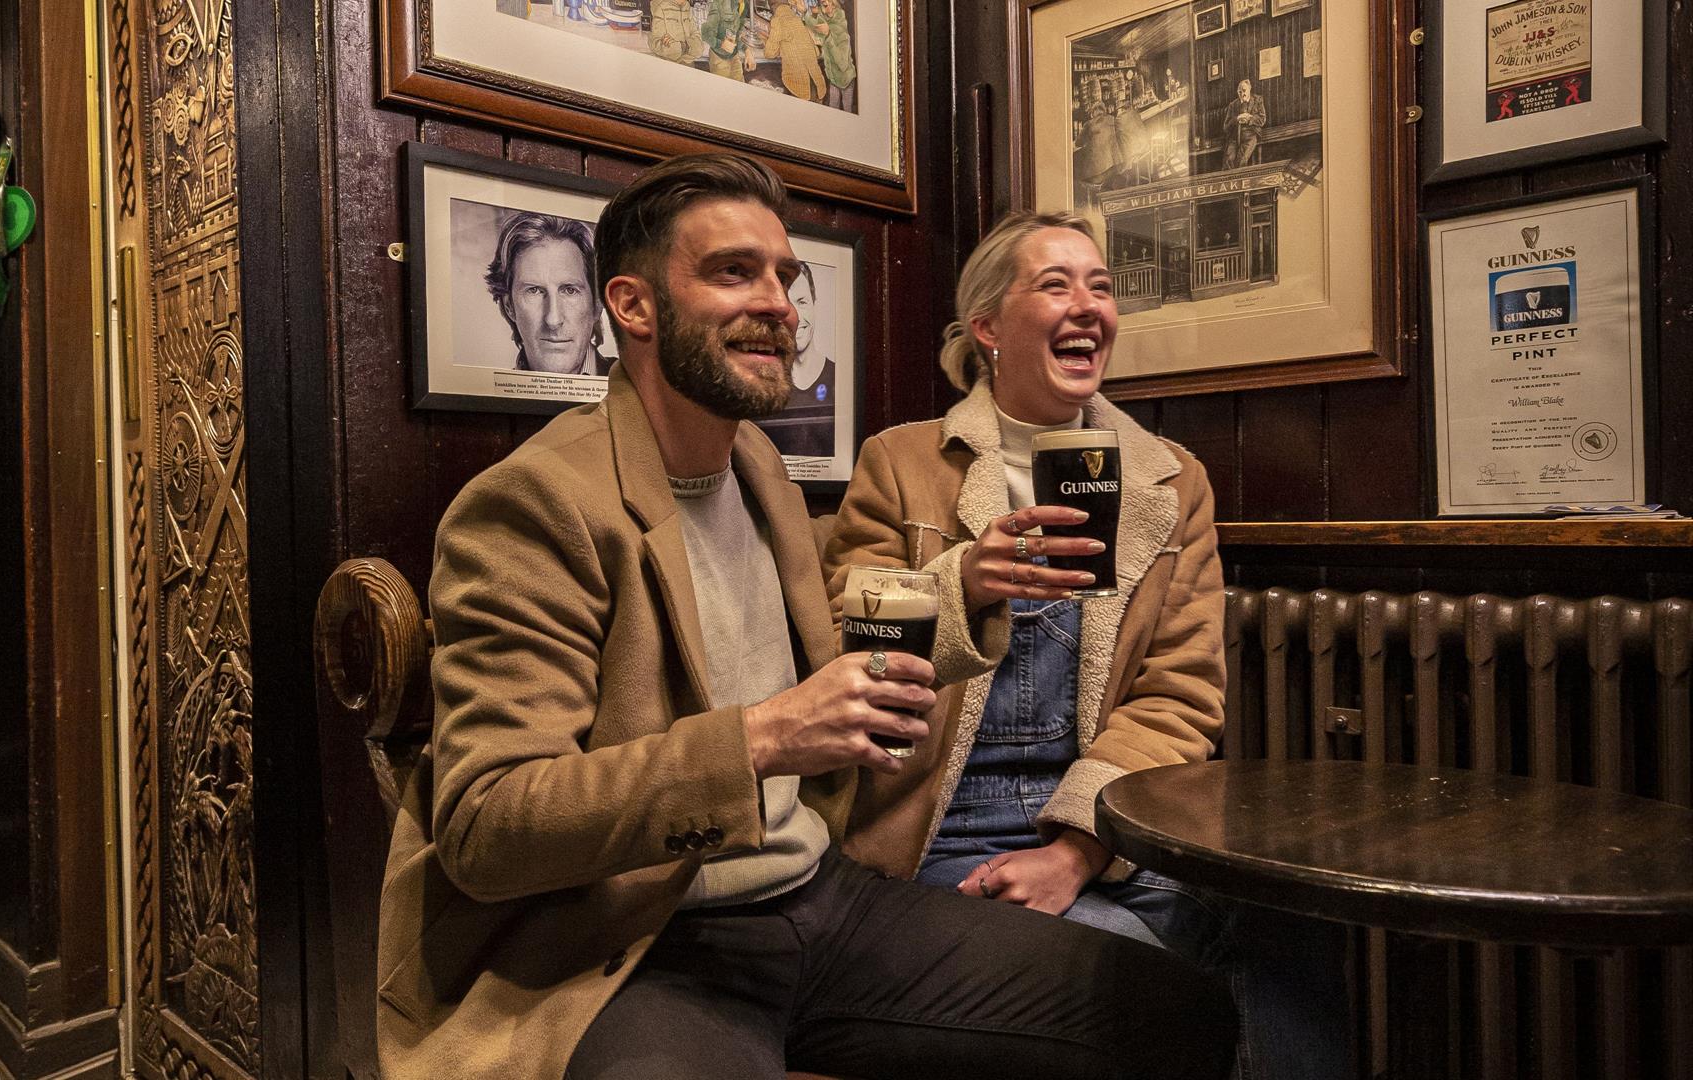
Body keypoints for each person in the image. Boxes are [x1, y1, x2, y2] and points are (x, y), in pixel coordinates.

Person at [377, 156, 1236, 1080]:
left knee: (1176, 1011)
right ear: (631, 307)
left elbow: (855, 655)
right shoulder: (535, 502)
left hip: (818, 894)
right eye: (733, 272)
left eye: (785, 277)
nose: (780, 302)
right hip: (643, 940)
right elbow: (485, 826)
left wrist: (965, 598)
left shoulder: (762, 472)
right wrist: (758, 738)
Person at [822, 209, 1350, 1080]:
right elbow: (849, 633)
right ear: (988, 326)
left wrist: (1077, 850)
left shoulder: (1169, 480)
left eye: (1100, 287)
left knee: (1292, 924)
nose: (1087, 305)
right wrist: (966, 579)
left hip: (1112, 817)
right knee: (1141, 975)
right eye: (1056, 284)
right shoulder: (904, 460)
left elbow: (1179, 695)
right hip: (942, 825)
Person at [483, 212, 612, 376]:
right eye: (534, 290)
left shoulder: (639, 390)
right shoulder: (482, 399)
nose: (553, 320)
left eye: (569, 290)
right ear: (509, 306)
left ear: (596, 305)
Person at [755, 268, 836, 458]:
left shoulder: (840, 380)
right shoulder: (761, 383)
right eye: (789, 304)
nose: (796, 316)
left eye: (802, 302)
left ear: (815, 305)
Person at [763, 0, 827, 102]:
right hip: (818, 86)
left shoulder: (777, 20)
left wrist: (768, 41)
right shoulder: (799, 19)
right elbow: (816, 52)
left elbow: (769, 54)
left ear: (772, 8)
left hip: (800, 88)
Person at [809, 0, 856, 111]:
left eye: (830, 5)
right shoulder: (827, 21)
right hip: (834, 78)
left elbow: (843, 64)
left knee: (847, 110)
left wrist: (828, 35)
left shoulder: (842, 34)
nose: (827, 8)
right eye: (823, 5)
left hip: (846, 80)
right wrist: (813, 14)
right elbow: (813, 23)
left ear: (835, 6)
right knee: (833, 108)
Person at [1223, 78, 1267, 169]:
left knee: (1241, 160)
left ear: (1250, 88)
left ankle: (1242, 181)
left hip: (1251, 134)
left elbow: (1262, 119)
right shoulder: (1233, 105)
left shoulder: (1258, 100)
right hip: (1234, 136)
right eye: (1239, 92)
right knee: (1228, 160)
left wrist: (1249, 118)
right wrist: (1237, 118)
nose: (1242, 94)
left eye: (1244, 90)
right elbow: (1226, 126)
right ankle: (1231, 182)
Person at [703, 0, 751, 81]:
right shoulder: (719, 4)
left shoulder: (744, 4)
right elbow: (706, 33)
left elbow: (737, 33)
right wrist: (721, 44)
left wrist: (746, 50)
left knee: (741, 89)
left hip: (734, 56)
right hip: (719, 58)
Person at [647, 0, 705, 65]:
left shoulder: (686, 6)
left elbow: (699, 46)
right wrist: (686, 47)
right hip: (667, 66)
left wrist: (683, 46)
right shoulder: (661, 7)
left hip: (689, 65)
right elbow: (655, 43)